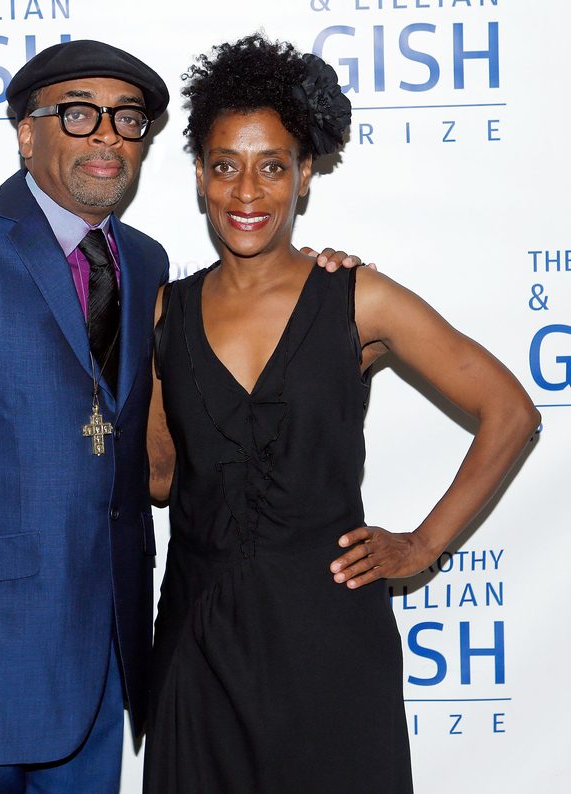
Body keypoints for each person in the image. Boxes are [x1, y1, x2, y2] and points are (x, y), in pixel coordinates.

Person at [0, 39, 360, 793]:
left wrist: (318, 278)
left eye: (128, 119)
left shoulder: (150, 263)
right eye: (78, 114)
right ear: (27, 134)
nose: (106, 135)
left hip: (103, 661)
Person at [144, 35, 540, 794]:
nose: (248, 192)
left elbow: (511, 410)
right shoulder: (166, 312)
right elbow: (160, 479)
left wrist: (423, 545)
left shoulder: (358, 298)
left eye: (273, 166)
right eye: (226, 165)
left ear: (305, 177)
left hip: (328, 637)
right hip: (199, 644)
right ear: (199, 177)